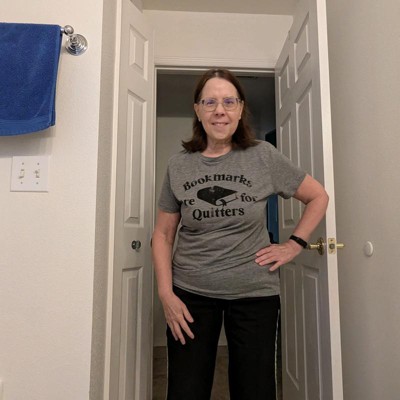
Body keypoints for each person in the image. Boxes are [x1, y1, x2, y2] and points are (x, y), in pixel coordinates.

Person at [152, 68, 329, 400]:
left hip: (254, 295)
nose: (219, 110)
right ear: (198, 110)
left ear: (240, 108)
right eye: (210, 102)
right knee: (185, 390)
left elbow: (318, 196)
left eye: (229, 102)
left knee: (254, 389)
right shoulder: (179, 165)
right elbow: (162, 234)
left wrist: (294, 245)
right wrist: (166, 294)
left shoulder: (263, 156)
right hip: (190, 295)